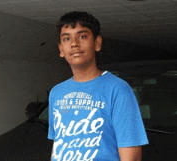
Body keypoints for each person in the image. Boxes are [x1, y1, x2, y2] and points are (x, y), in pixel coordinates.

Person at [48, 11, 148, 161]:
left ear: (97, 43)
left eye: (82, 36)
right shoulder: (57, 92)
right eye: (67, 38)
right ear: (61, 49)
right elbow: (59, 145)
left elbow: (131, 156)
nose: (74, 43)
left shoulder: (118, 89)